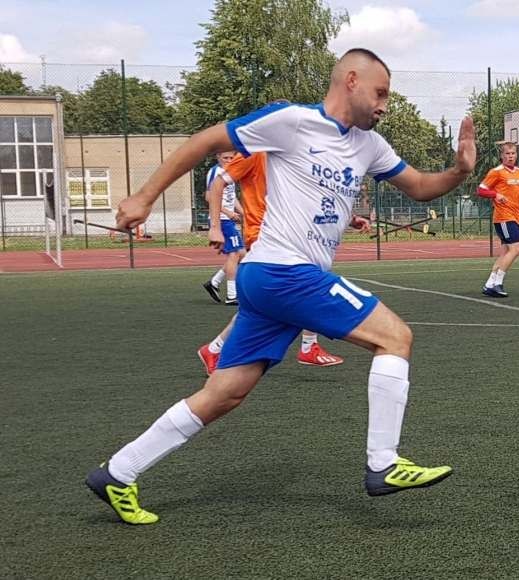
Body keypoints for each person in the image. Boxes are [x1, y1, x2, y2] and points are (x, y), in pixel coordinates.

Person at [85, 48, 476, 525]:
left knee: (224, 393)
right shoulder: (291, 121)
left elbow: (419, 186)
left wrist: (459, 171)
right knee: (395, 337)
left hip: (269, 282)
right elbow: (205, 141)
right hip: (283, 272)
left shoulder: (370, 145)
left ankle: (118, 473)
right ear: (351, 80)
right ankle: (383, 463)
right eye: (380, 93)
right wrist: (144, 196)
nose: (384, 106)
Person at [197, 148, 345, 374]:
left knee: (262, 307)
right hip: (265, 235)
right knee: (310, 282)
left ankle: (214, 349)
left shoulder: (290, 156)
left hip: (286, 234)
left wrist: (348, 217)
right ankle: (308, 346)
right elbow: (217, 186)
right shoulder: (254, 154)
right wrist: (215, 227)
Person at [476, 141, 519, 297]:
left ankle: (489, 284)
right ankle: (498, 283)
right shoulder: (496, 172)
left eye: (513, 153)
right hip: (503, 217)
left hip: (516, 217)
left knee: (505, 253)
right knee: (515, 249)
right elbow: (481, 190)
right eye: (507, 154)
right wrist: (496, 194)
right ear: (502, 156)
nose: (510, 156)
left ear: (516, 155)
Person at [201, 151, 245, 305]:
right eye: (225, 158)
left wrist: (243, 213)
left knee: (241, 254)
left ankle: (214, 282)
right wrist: (228, 213)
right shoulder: (216, 172)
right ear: (218, 157)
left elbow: (231, 197)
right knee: (235, 254)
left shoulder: (231, 171)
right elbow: (209, 197)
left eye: (232, 158)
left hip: (228, 219)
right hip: (221, 219)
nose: (229, 160)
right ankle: (231, 295)